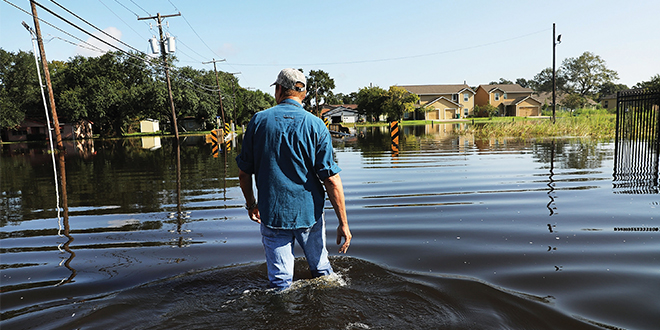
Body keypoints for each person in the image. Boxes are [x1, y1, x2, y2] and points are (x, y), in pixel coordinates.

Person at [236, 68, 352, 290]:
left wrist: (251, 204)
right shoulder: (316, 125)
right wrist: (343, 224)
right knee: (322, 272)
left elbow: (244, 173)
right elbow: (331, 180)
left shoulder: (258, 121)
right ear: (304, 94)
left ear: (278, 90)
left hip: (272, 213)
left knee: (280, 282)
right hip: (309, 213)